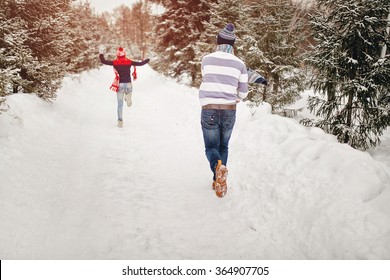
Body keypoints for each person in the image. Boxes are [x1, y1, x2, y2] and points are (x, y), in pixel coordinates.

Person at [199, 23, 248, 198]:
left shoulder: (206, 59)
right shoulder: (240, 64)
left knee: (211, 146)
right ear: (232, 44)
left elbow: (206, 77)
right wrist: (238, 98)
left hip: (209, 107)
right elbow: (243, 91)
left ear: (218, 41)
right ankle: (219, 180)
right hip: (229, 109)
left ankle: (217, 169)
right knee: (223, 145)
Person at [99, 46, 150, 127]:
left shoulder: (115, 62)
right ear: (124, 54)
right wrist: (147, 60)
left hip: (120, 85)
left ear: (117, 55)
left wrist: (101, 53)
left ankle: (120, 122)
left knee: (120, 104)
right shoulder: (128, 62)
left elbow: (103, 61)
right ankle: (128, 98)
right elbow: (140, 64)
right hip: (128, 84)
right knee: (129, 92)